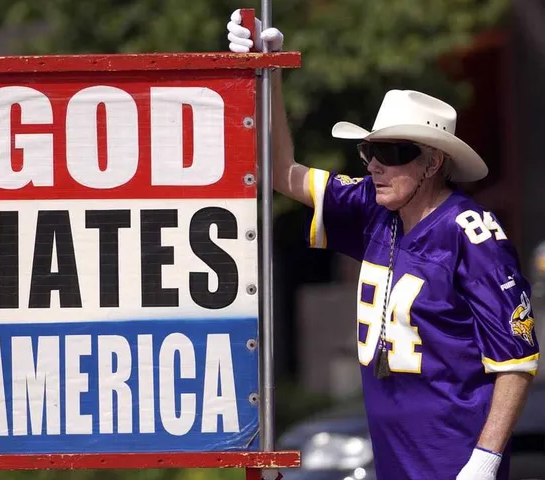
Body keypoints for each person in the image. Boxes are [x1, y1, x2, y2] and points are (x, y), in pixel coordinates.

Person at [226, 9, 540, 480]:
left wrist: (485, 461)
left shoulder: (473, 234)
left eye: (394, 153)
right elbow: (281, 172)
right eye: (371, 151)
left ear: (433, 162)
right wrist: (265, 73)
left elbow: (516, 362)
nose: (376, 165)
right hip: (392, 462)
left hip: (456, 463)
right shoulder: (373, 208)